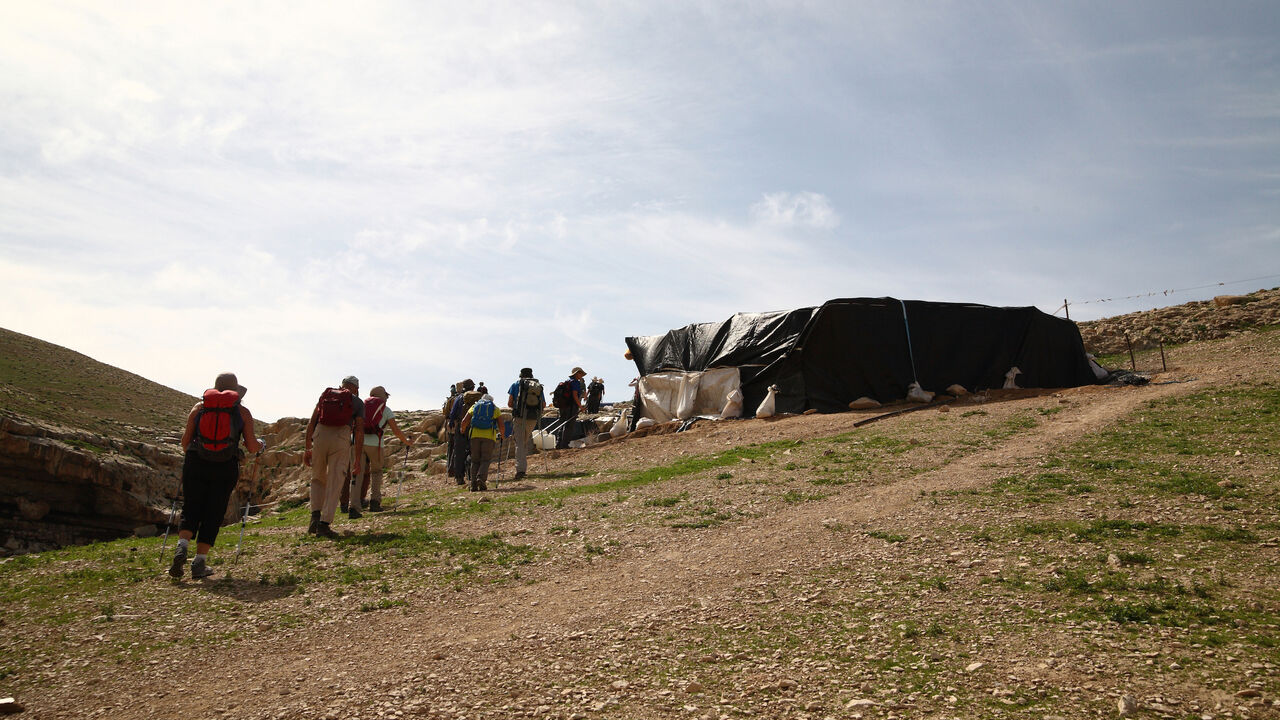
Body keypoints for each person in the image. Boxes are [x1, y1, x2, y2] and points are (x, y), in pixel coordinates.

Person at [169, 372, 264, 579]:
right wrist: (262, 445)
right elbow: (251, 446)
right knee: (214, 510)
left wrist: (197, 453)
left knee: (191, 506)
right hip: (225, 466)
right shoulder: (242, 411)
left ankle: (181, 547)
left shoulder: (199, 408)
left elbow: (185, 442)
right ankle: (199, 563)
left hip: (196, 462)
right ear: (236, 390)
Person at [303, 375, 365, 538]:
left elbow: (312, 421)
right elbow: (359, 431)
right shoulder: (357, 402)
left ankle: (314, 518)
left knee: (317, 477)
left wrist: (307, 448)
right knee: (335, 479)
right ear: (356, 389)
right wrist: (357, 459)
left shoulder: (326, 395)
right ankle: (324, 524)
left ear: (342, 385)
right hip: (341, 437)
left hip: (320, 434)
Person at [343, 385, 414, 515]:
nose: (387, 398)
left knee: (356, 473)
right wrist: (407, 441)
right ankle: (375, 502)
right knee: (376, 472)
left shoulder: (360, 406)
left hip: (356, 442)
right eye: (386, 396)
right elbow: (396, 430)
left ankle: (353, 506)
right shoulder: (386, 410)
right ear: (382, 396)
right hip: (376, 444)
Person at [460, 393, 507, 491]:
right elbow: (501, 425)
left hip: (474, 436)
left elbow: (465, 420)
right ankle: (481, 479)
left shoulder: (475, 406)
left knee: (475, 460)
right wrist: (502, 435)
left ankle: (473, 485)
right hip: (489, 437)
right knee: (485, 459)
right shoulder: (494, 408)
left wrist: (463, 430)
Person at [506, 368, 545, 480]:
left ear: (521, 375)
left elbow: (509, 403)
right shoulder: (537, 385)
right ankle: (522, 467)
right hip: (533, 418)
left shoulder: (515, 384)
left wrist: (518, 408)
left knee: (519, 443)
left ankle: (521, 470)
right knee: (524, 441)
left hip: (519, 417)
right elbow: (543, 404)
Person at [446, 379, 476, 484]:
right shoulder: (478, 397)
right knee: (473, 452)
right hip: (475, 428)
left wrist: (451, 423)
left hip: (461, 428)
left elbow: (453, 413)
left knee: (459, 453)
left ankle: (459, 478)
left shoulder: (459, 398)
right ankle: (472, 475)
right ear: (473, 387)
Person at [554, 367, 587, 449]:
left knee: (562, 424)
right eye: (581, 374)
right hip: (571, 407)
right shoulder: (575, 382)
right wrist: (580, 407)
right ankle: (564, 445)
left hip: (563, 406)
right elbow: (575, 395)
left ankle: (559, 444)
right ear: (577, 373)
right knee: (569, 426)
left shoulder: (567, 381)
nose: (581, 376)